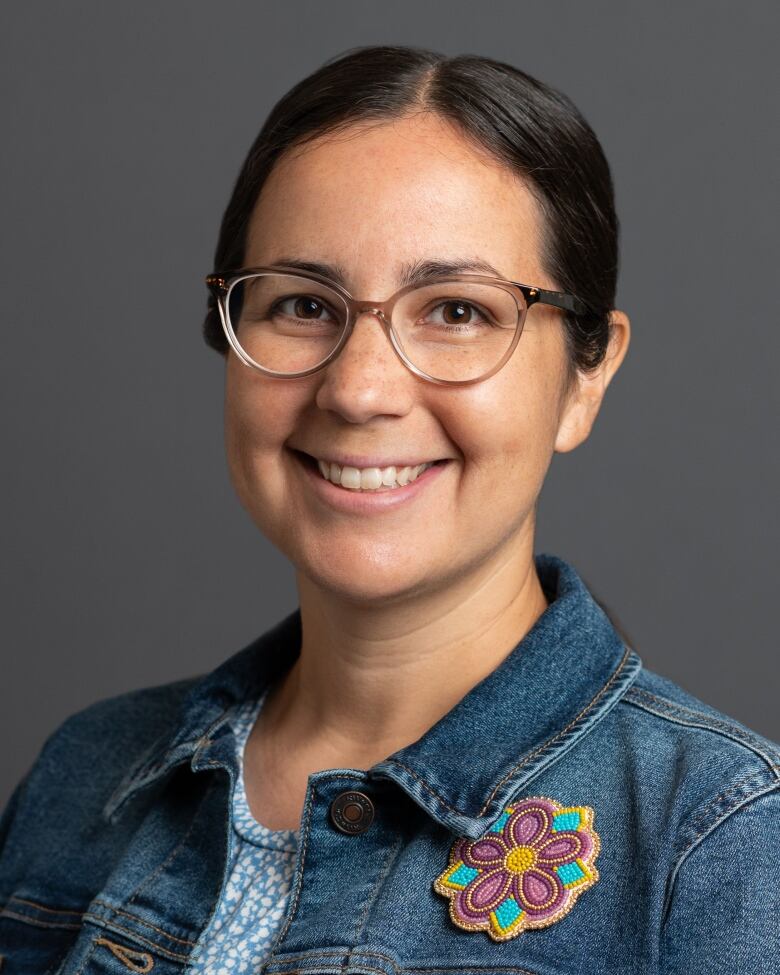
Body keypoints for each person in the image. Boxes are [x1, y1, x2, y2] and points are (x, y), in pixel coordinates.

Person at [0, 44, 777, 975]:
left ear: (586, 374)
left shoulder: (720, 844)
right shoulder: (86, 775)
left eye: (455, 311)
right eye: (301, 304)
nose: (359, 389)